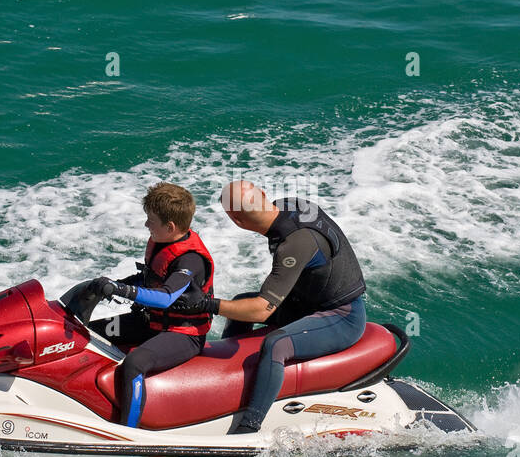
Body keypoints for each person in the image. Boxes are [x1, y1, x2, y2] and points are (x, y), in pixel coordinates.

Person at [174, 181, 367, 434]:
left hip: (342, 316)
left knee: (276, 344)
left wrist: (207, 304)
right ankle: (225, 383)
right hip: (305, 304)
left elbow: (261, 310)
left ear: (237, 222)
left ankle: (249, 426)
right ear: (264, 195)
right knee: (241, 302)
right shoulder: (291, 205)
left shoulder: (295, 243)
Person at [84, 182, 214, 428]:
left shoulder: (190, 259)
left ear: (170, 226)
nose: (146, 225)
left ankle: (128, 433)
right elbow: (148, 279)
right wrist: (110, 285)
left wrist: (123, 290)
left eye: (150, 220)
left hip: (183, 335)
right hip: (152, 322)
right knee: (89, 333)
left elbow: (165, 297)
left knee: (135, 363)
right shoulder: (163, 243)